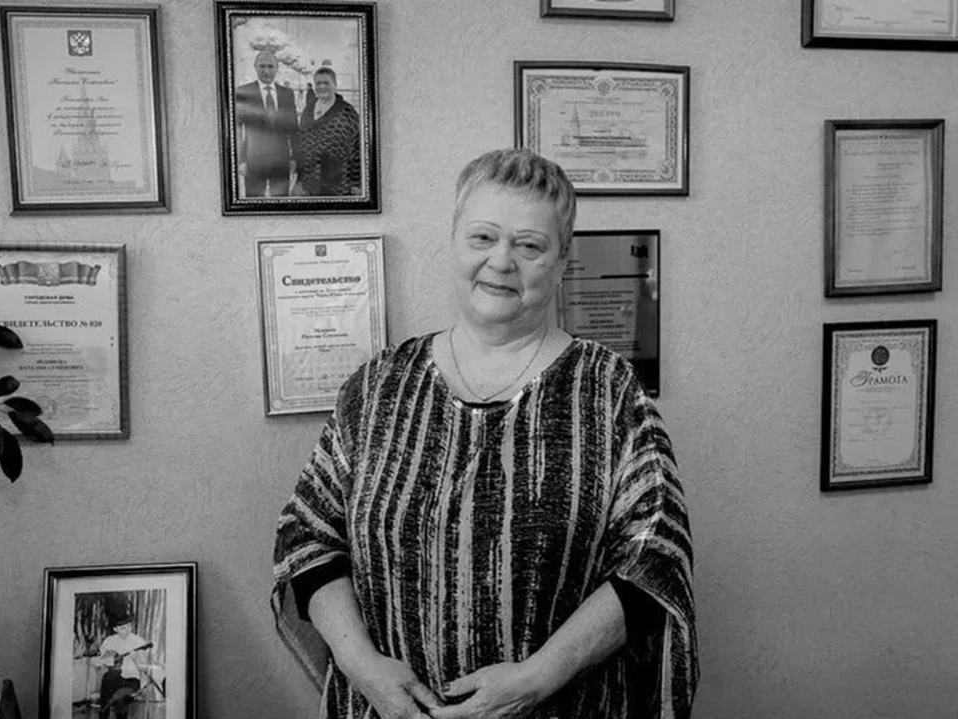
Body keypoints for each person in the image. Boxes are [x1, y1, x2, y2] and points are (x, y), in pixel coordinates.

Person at [271, 148, 698, 719]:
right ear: (453, 242)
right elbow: (307, 538)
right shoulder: (378, 386)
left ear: (562, 262)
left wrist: (537, 680)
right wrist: (362, 666)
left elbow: (655, 560)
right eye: (482, 237)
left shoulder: (609, 392)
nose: (501, 261)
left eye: (529, 246)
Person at [234, 50, 298, 197]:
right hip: (253, 161)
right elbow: (237, 130)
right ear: (255, 67)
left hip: (281, 161)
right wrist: (241, 160)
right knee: (254, 203)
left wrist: (294, 158)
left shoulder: (287, 94)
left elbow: (294, 129)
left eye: (270, 66)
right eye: (262, 66)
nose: (266, 71)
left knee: (281, 203)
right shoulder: (243, 93)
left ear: (277, 68)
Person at [292, 67, 362, 196]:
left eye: (326, 83)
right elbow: (301, 144)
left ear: (335, 85)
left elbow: (357, 149)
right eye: (318, 83)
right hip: (310, 181)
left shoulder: (348, 112)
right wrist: (300, 179)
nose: (322, 87)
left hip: (338, 182)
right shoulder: (308, 110)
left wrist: (356, 183)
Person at [91, 613, 150, 719]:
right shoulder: (109, 641)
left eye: (129, 626)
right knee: (108, 679)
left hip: (131, 679)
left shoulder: (138, 641)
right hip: (113, 678)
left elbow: (144, 668)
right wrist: (105, 661)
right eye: (123, 628)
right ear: (115, 629)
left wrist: (135, 658)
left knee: (121, 702)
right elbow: (95, 661)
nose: (127, 630)